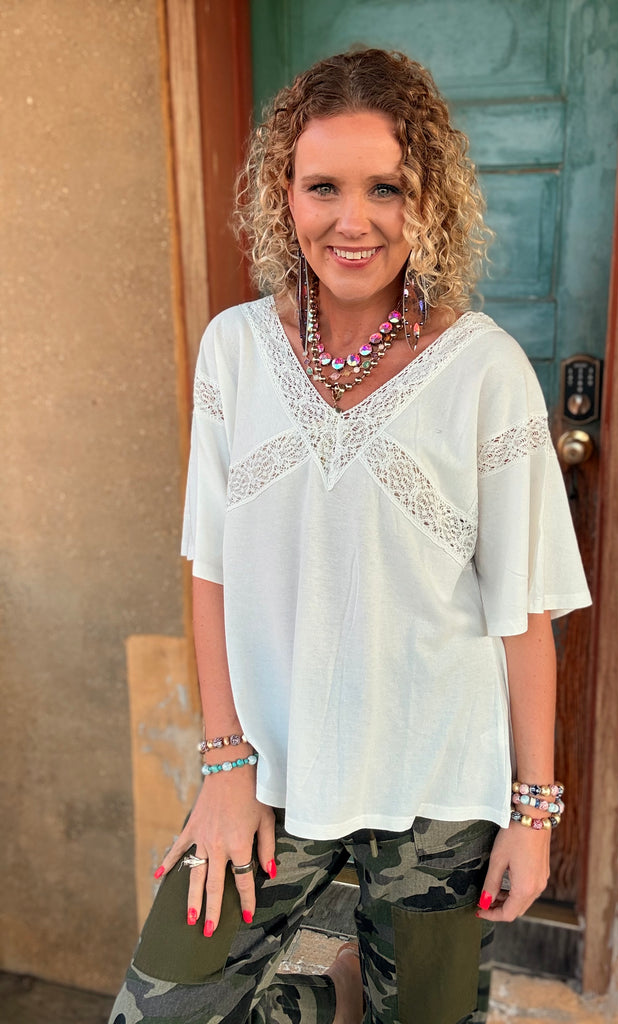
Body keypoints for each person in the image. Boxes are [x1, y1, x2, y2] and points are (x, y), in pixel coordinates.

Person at [110, 47, 590, 1024]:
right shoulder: (235, 352)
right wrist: (224, 762)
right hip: (269, 776)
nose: (353, 220)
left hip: (438, 795)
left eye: (387, 188)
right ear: (282, 193)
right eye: (323, 186)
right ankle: (330, 997)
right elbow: (211, 567)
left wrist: (534, 812)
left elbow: (522, 611)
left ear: (429, 202)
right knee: (158, 1011)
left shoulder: (486, 370)